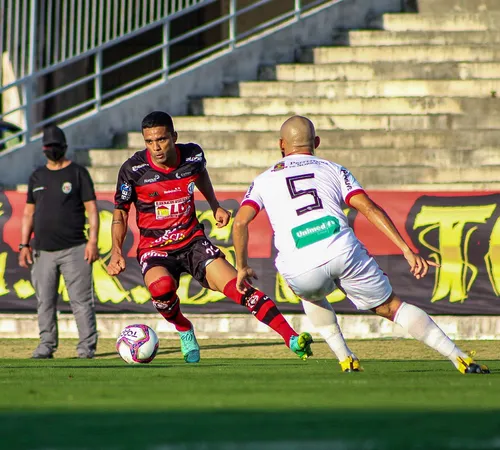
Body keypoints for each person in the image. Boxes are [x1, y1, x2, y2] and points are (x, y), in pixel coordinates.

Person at [232, 115, 490, 375]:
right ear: (317, 142)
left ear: (281, 144)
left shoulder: (263, 180)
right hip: (342, 249)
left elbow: (240, 223)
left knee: (309, 293)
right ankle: (460, 357)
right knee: (392, 307)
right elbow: (367, 207)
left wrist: (241, 267)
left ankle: (346, 359)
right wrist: (406, 249)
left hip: (300, 264)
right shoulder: (334, 169)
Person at [106, 111, 312, 363]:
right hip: (155, 247)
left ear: (174, 137)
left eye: (161, 139)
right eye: (149, 141)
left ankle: (291, 338)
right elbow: (120, 212)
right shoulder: (133, 170)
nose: (156, 147)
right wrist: (116, 250)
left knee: (240, 288)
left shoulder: (192, 155)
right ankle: (184, 328)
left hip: (192, 242)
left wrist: (214, 204)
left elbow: (200, 173)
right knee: (161, 288)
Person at [19, 125, 100, 359]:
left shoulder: (77, 173)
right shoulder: (37, 176)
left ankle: (86, 348)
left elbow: (92, 210)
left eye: (56, 147)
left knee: (81, 302)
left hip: (75, 248)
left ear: (64, 147)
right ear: (44, 149)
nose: (53, 150)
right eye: (49, 147)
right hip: (42, 251)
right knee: (44, 301)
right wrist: (24, 245)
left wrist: (92, 241)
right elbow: (27, 213)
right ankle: (46, 345)